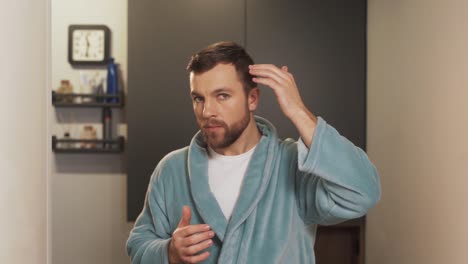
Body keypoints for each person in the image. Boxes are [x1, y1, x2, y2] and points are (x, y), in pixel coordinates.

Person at [126, 41, 381, 264]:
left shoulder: (292, 165)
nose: (207, 112)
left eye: (222, 96)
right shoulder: (172, 169)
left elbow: (362, 192)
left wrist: (298, 111)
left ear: (252, 99)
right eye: (198, 98)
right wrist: (168, 252)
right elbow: (139, 246)